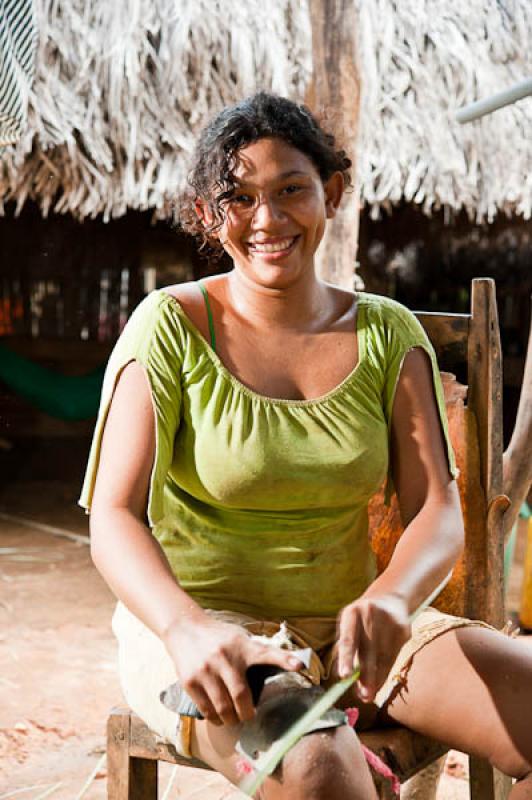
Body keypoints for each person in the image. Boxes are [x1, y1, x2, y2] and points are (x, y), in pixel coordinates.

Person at [80, 93, 532, 799]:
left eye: (291, 190)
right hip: (211, 638)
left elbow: (437, 507)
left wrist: (391, 596)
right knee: (322, 765)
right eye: (239, 198)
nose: (268, 219)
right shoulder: (169, 327)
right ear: (208, 214)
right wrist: (184, 628)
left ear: (332, 194)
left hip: (361, 627)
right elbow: (111, 515)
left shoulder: (386, 333)